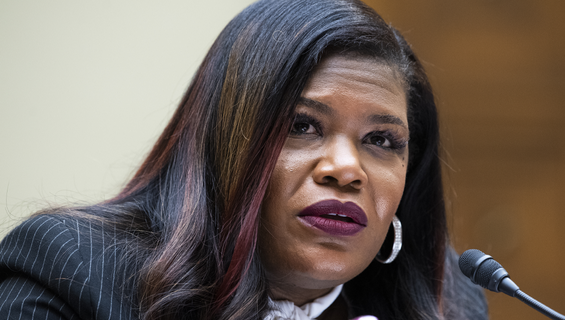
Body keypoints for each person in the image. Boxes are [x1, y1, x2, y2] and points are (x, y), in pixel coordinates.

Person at [0, 0, 488, 319]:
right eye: (302, 126)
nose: (346, 168)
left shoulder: (454, 304)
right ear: (221, 145)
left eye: (382, 140)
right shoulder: (71, 270)